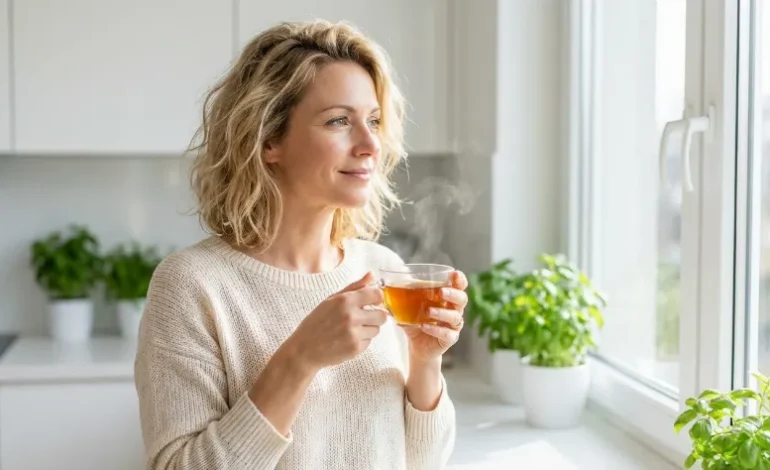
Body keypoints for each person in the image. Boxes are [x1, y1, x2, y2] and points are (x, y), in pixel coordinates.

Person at [134, 19, 468, 470]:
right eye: (338, 121)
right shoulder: (193, 286)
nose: (371, 143)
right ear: (270, 139)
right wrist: (300, 358)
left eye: (373, 120)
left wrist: (425, 361)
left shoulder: (382, 266)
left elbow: (421, 462)